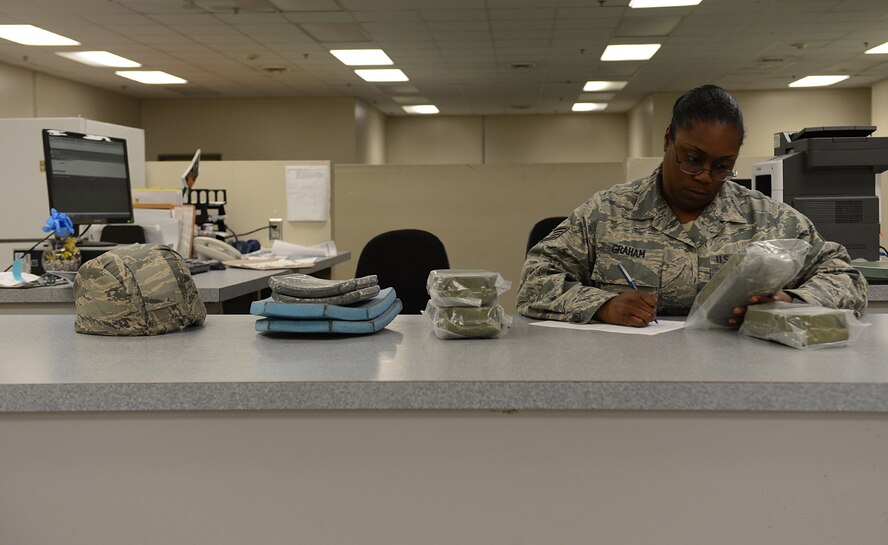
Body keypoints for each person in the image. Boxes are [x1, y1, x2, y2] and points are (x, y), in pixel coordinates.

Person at [517, 84, 868, 327]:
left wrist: (792, 303)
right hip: (628, 374)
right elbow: (535, 280)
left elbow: (847, 279)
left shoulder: (769, 221)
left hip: (741, 380)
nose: (704, 176)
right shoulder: (608, 213)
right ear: (669, 139)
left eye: (722, 166)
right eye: (693, 159)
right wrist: (601, 306)